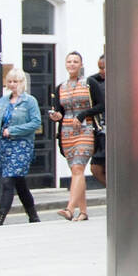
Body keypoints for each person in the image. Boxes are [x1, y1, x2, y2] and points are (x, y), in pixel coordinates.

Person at [0, 67, 42, 225]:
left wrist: (13, 130)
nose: (12, 84)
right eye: (9, 81)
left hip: (22, 146)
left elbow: (36, 123)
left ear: (22, 82)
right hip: (5, 146)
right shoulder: (3, 101)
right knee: (19, 183)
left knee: (7, 181)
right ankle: (33, 216)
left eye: (15, 81)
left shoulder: (29, 101)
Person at [48, 51, 94, 221]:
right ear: (66, 65)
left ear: (81, 64)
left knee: (78, 168)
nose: (72, 64)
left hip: (85, 130)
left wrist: (83, 115)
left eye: (76, 61)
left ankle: (70, 209)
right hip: (67, 132)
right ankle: (83, 212)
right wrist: (56, 116)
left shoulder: (89, 83)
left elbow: (102, 105)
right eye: (69, 61)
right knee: (76, 171)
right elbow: (59, 110)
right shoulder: (60, 87)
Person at [83, 54, 106, 186]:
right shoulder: (94, 82)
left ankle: (120, 195)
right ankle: (118, 194)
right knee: (96, 168)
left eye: (103, 68)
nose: (101, 71)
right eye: (99, 68)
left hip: (115, 133)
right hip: (101, 131)